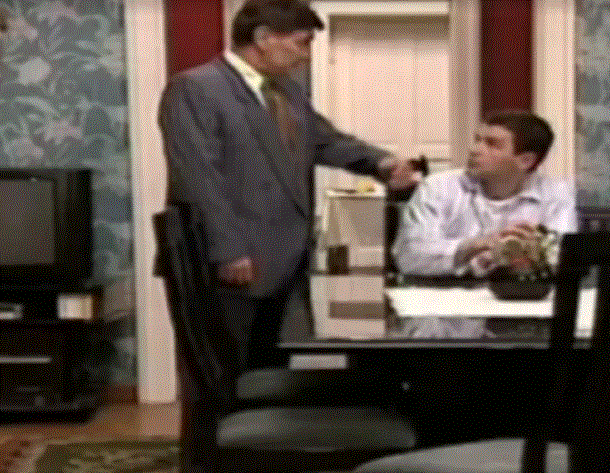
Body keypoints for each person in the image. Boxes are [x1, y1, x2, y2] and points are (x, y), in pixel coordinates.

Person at [158, 0, 418, 372]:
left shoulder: (287, 92)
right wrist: (228, 251)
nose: (306, 56)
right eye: (302, 42)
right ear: (264, 37)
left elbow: (325, 141)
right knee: (224, 375)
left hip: (284, 262)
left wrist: (381, 162)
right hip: (229, 263)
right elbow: (199, 177)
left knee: (269, 373)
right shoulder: (196, 88)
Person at [392, 109, 577, 276]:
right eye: (477, 140)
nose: (474, 150)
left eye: (492, 144)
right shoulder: (438, 187)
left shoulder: (556, 193)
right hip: (444, 296)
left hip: (524, 296)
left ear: (525, 161)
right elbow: (408, 257)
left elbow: (563, 257)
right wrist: (475, 245)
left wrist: (513, 254)